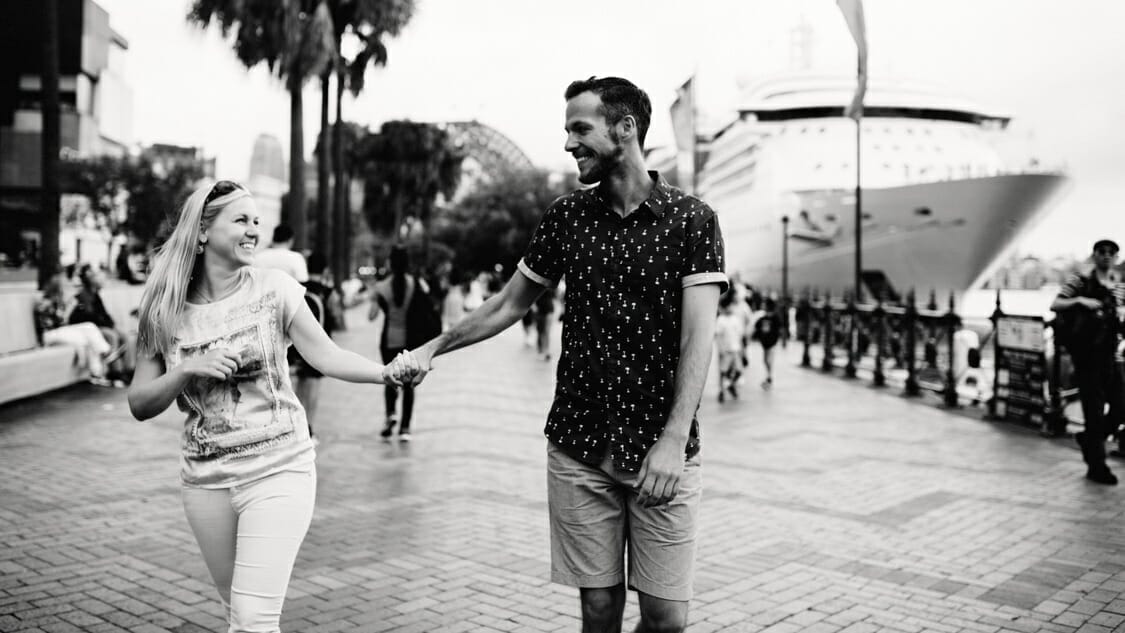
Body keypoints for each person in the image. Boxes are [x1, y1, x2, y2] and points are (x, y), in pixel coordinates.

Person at [390, 76, 726, 633]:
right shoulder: (567, 217)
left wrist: (672, 440)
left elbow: (699, 338)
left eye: (580, 128)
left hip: (662, 450)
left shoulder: (692, 220)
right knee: (598, 610)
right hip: (580, 443)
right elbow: (507, 304)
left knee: (667, 619)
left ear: (626, 128)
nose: (569, 143)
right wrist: (433, 347)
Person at [126, 180, 403, 631]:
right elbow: (140, 402)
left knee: (253, 618)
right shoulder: (162, 309)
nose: (254, 230)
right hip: (205, 482)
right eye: (241, 220)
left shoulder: (276, 288)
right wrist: (186, 369)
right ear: (202, 232)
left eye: (257, 221)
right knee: (237, 613)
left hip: (280, 469)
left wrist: (384, 373)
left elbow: (327, 355)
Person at [1051, 238, 1125, 485]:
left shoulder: (1119, 285)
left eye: (1111, 253)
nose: (1107, 256)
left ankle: (1089, 439)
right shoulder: (1079, 281)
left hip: (1111, 354)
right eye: (1102, 252)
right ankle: (1097, 466)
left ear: (1115, 257)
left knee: (1120, 407)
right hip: (1087, 356)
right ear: (1094, 255)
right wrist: (1080, 301)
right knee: (1093, 413)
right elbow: (1056, 303)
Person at [369, 245, 438, 441]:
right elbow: (428, 303)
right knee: (409, 384)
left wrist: (377, 300)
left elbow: (371, 316)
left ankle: (391, 414)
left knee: (389, 378)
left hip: (389, 340)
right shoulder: (416, 283)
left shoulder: (381, 287)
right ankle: (405, 428)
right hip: (411, 341)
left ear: (390, 263)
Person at [34, 273, 118, 385]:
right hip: (49, 335)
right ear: (58, 288)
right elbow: (58, 323)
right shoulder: (45, 302)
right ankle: (105, 354)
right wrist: (68, 308)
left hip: (60, 332)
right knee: (88, 333)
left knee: (89, 329)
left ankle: (97, 372)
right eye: (66, 286)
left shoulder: (59, 302)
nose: (70, 288)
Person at [294, 252, 343, 435]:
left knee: (299, 382)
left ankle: (296, 423)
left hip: (297, 342)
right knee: (313, 385)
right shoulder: (328, 292)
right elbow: (337, 316)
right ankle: (309, 427)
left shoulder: (298, 287)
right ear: (324, 269)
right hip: (319, 344)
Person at [70, 263, 129, 381]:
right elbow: (87, 318)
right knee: (111, 336)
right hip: (90, 329)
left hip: (100, 326)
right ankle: (115, 372)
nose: (100, 281)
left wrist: (112, 325)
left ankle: (128, 369)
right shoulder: (82, 296)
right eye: (96, 277)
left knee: (124, 336)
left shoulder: (96, 296)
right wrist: (107, 326)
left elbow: (104, 314)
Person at [715, 290, 746, 402]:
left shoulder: (735, 319)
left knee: (738, 371)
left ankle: (730, 385)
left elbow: (739, 336)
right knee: (723, 371)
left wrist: (742, 351)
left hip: (735, 350)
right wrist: (721, 349)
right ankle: (722, 390)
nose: (730, 308)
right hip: (726, 350)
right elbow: (718, 336)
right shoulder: (721, 320)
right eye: (728, 306)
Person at [752, 297, 782, 389]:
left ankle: (769, 377)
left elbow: (779, 329)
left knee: (769, 360)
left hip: (772, 342)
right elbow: (757, 326)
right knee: (765, 360)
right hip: (765, 342)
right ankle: (768, 376)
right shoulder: (763, 317)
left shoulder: (775, 317)